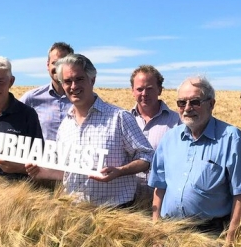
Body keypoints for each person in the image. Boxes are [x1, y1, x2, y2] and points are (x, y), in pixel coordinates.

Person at [148, 76, 241, 247]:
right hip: (170, 234)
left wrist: (229, 241)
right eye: (181, 103)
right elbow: (160, 186)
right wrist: (156, 230)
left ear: (211, 104)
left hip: (210, 236)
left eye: (195, 102)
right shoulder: (169, 138)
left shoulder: (230, 137)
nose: (187, 108)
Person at [25, 54, 154, 207]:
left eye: (79, 79)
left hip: (115, 213)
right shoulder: (65, 125)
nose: (73, 86)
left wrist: (120, 171)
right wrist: (42, 172)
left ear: (92, 80)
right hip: (74, 211)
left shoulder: (119, 117)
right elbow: (67, 172)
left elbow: (147, 156)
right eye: (67, 81)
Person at [129, 65, 181, 202]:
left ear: (160, 90)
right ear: (132, 91)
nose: (144, 94)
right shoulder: (124, 119)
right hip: (129, 198)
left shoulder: (177, 122)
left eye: (149, 89)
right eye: (139, 89)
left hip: (164, 197)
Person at [19, 42, 74, 142]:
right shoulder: (31, 98)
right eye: (55, 63)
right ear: (48, 65)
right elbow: (11, 119)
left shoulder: (82, 98)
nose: (59, 68)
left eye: (64, 63)